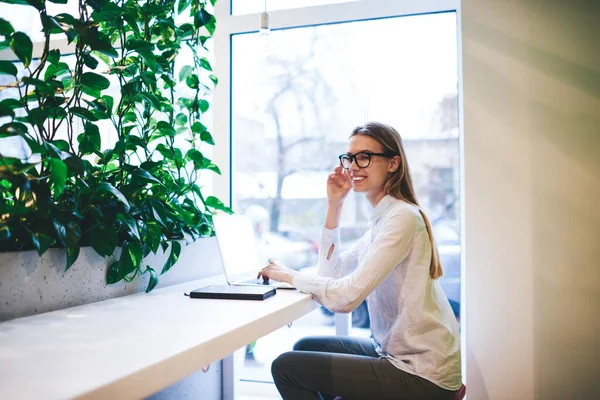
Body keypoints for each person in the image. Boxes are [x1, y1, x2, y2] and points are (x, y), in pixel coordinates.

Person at [258, 122, 462, 400]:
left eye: (364, 157)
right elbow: (330, 274)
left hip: (421, 373)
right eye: (349, 157)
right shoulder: (381, 221)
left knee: (286, 367)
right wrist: (335, 204)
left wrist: (288, 275)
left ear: (393, 163)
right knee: (306, 345)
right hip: (396, 355)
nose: (353, 166)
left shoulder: (401, 217)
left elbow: (345, 299)